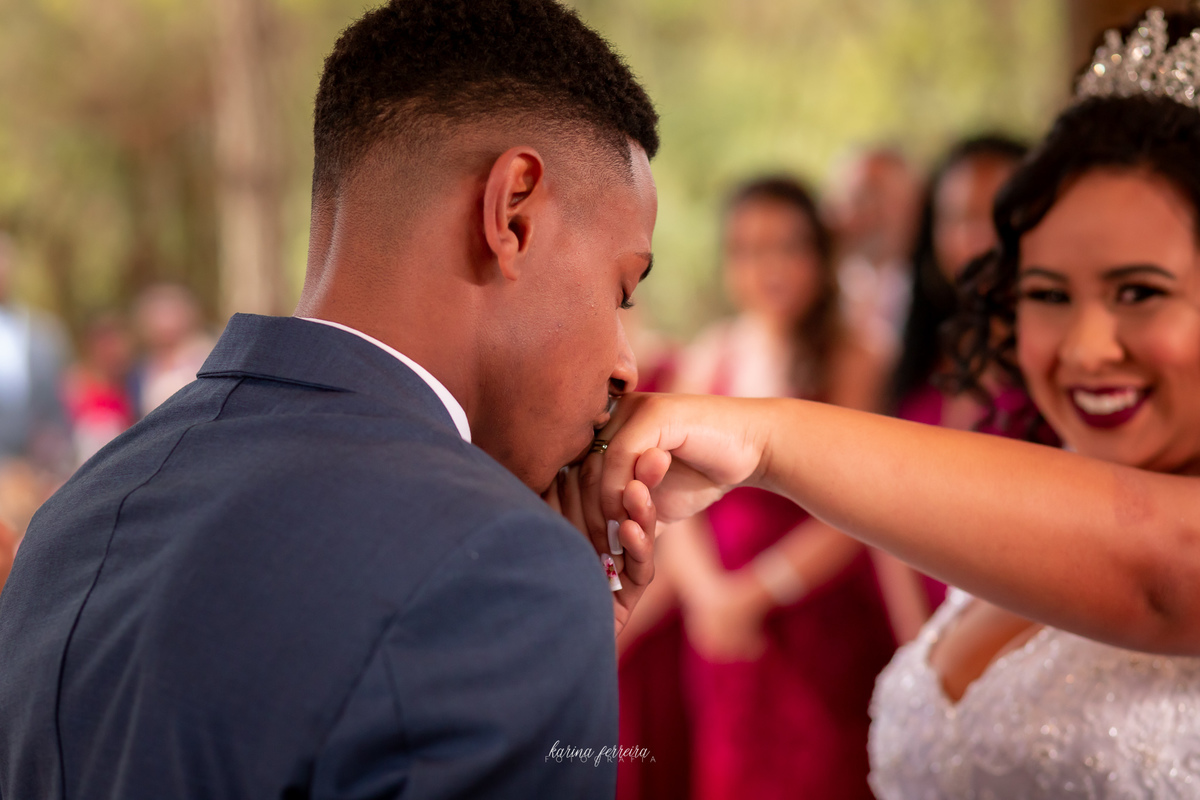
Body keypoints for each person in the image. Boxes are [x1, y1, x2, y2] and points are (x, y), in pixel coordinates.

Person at [0, 2, 658, 798]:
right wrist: (545, 620)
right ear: (512, 211)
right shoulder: (501, 572)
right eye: (621, 289)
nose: (625, 362)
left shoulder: (75, 515)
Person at [591, 8, 1200, 795]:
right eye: (1047, 294)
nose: (1085, 348)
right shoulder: (1020, 498)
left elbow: (1162, 565)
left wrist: (763, 440)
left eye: (1139, 292)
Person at [662, 176, 894, 800]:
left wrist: (757, 593)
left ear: (818, 254)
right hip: (721, 622)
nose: (767, 267)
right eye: (747, 250)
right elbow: (670, 501)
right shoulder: (710, 356)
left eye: (786, 247)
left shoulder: (855, 356)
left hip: (815, 613)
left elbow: (862, 510)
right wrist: (711, 595)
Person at [873, 135, 1034, 637]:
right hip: (917, 634)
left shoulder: (1058, 366)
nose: (974, 238)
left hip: (1028, 628)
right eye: (956, 217)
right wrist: (917, 646)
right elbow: (880, 502)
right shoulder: (917, 356)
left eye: (996, 216)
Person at [128, 283, 215, 418]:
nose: (165, 322)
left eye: (170, 312)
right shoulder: (140, 367)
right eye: (157, 313)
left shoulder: (206, 356)